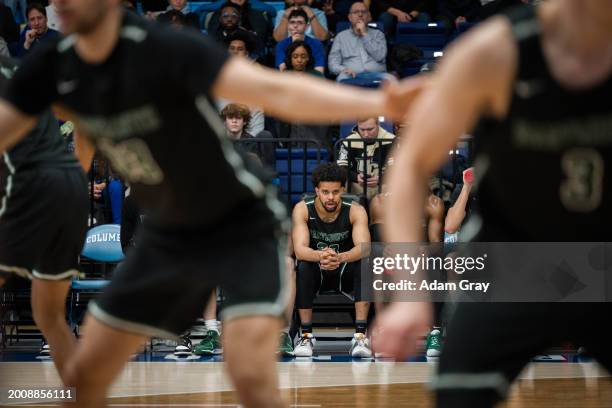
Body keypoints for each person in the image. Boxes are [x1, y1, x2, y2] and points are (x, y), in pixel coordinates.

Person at [0, 1, 423, 406]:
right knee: (86, 374)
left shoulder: (164, 48)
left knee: (250, 379)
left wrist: (379, 102)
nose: (62, 3)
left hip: (240, 219)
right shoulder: (52, 63)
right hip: (170, 229)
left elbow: (276, 91)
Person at [375, 2, 612, 408]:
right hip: (513, 257)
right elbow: (411, 165)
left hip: (603, 258)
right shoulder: (494, 51)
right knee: (458, 393)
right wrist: (410, 293)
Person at [0, 56, 89, 382]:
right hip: (70, 189)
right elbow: (85, 117)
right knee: (48, 314)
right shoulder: (26, 69)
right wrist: (77, 173)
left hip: (31, 187)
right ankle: (81, 398)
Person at [292, 163, 372, 358]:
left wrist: (340, 257)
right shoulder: (302, 209)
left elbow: (365, 247)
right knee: (302, 266)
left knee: (365, 263)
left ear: (343, 190)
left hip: (345, 269)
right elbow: (300, 250)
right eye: (325, 192)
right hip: (317, 271)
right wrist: (320, 256)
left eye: (335, 192)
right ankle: (306, 335)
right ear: (316, 190)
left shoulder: (355, 210)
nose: (330, 197)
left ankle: (360, 336)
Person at [337, 117, 395, 199]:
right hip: (357, 185)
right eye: (362, 129)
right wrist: (356, 177)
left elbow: (398, 169)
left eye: (370, 129)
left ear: (378, 124)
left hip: (383, 186)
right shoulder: (348, 141)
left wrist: (381, 179)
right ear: (357, 125)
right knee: (341, 185)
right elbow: (341, 168)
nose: (366, 134)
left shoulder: (391, 140)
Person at [328, 2, 386, 82]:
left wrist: (364, 34)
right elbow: (333, 63)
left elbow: (380, 56)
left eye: (364, 12)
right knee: (341, 79)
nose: (360, 15)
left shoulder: (378, 34)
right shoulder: (340, 37)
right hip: (351, 75)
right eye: (356, 12)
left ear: (369, 16)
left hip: (377, 74)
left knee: (391, 79)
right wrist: (343, 69)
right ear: (350, 17)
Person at [275, 8, 325, 73]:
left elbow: (319, 71)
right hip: (288, 80)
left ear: (306, 26)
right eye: (292, 22)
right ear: (288, 25)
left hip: (311, 80)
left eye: (300, 23)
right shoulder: (281, 44)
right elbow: (283, 70)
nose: (295, 26)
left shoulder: (316, 44)